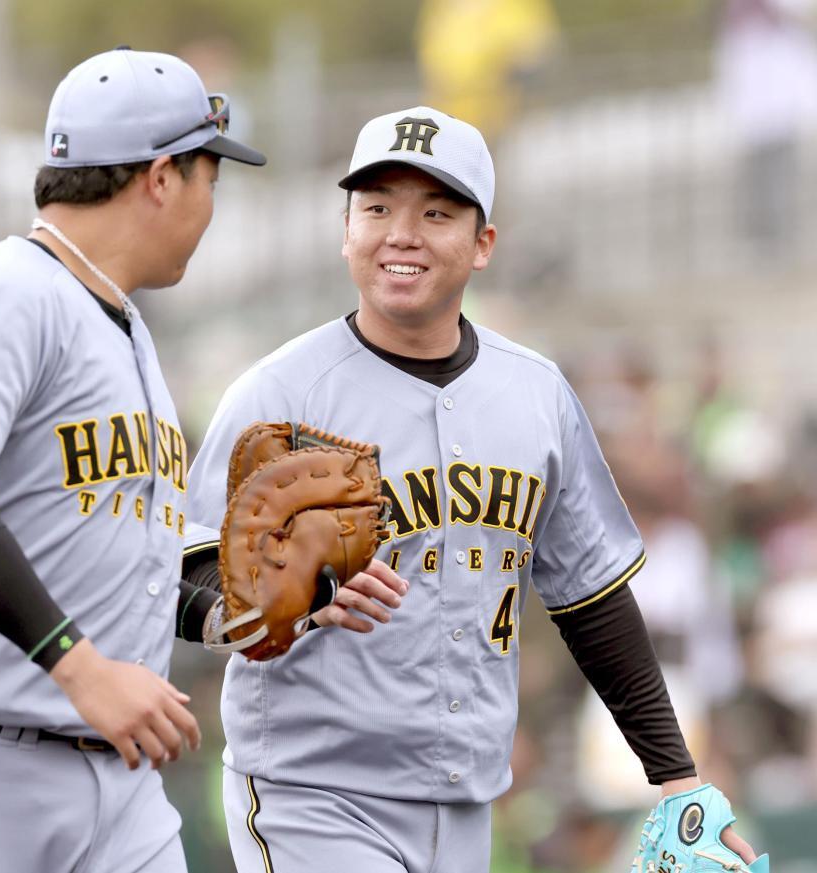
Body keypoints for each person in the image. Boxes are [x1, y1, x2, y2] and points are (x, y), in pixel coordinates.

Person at [186, 107, 761, 871]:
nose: (401, 231)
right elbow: (182, 580)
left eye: (436, 211)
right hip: (312, 794)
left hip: (466, 803)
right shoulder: (281, 394)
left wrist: (677, 778)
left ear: (483, 242)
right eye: (377, 206)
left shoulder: (537, 393)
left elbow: (590, 597)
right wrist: (287, 601)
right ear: (346, 228)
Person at [0, 46, 278, 873]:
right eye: (209, 178)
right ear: (162, 176)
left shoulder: (129, 331)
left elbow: (127, 562)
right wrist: (81, 668)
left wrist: (264, 604)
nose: (210, 204)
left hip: (116, 783)